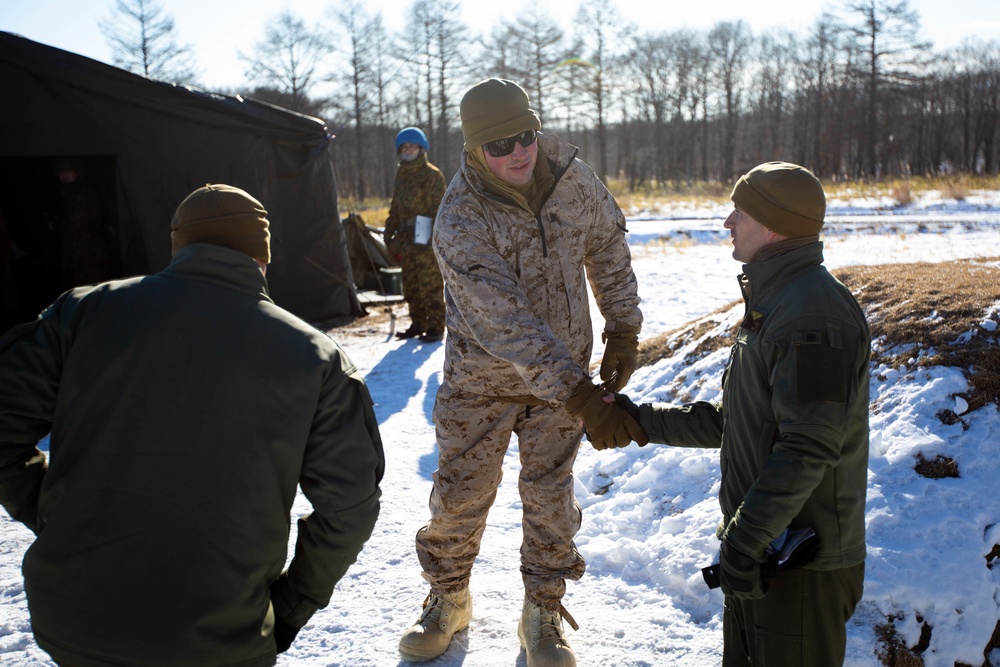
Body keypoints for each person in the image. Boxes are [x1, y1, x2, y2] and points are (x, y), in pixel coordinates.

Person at [0, 184, 385, 667]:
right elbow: (349, 508)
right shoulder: (315, 358)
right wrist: (290, 607)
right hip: (221, 637)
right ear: (262, 255)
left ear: (179, 247)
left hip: (74, 620)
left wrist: (58, 519)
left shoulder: (83, 313)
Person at [398, 78, 645, 667]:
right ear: (474, 149)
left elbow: (607, 243)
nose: (518, 152)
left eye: (525, 136)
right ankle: (449, 598)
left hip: (563, 382)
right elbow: (504, 323)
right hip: (482, 384)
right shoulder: (460, 215)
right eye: (500, 143)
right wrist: (581, 397)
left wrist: (624, 326)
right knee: (460, 499)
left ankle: (542, 611)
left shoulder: (570, 176)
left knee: (551, 497)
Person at [615, 162, 870, 666]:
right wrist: (638, 420)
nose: (728, 222)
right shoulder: (776, 301)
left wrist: (744, 539)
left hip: (801, 564)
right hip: (763, 552)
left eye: (740, 211)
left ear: (774, 224)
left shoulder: (812, 315)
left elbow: (809, 444)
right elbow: (735, 422)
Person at [383, 127, 448, 342]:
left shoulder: (431, 175)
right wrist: (389, 230)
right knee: (410, 283)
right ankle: (418, 323)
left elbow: (439, 209)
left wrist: (430, 237)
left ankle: (436, 327)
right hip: (406, 238)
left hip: (425, 237)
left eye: (413, 146)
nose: (409, 150)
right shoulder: (401, 175)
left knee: (430, 283)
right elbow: (395, 207)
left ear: (421, 149)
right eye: (405, 147)